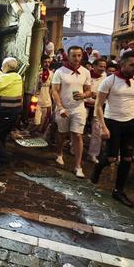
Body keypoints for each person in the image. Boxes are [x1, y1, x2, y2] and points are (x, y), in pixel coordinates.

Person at [91, 52, 134, 207]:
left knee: (127, 159)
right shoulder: (110, 81)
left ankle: (119, 191)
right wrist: (103, 126)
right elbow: (98, 105)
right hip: (112, 122)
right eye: (132, 65)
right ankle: (98, 167)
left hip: (130, 123)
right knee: (111, 158)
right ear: (122, 64)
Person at [51, 46, 92, 178]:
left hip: (79, 108)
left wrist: (84, 95)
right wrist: (60, 107)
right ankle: (59, 153)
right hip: (63, 107)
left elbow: (88, 90)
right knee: (62, 133)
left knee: (78, 135)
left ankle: (78, 166)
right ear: (68, 56)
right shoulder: (60, 72)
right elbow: (55, 91)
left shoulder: (85, 72)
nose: (76, 58)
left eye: (79, 55)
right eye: (73, 55)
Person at [86, 58, 107, 164]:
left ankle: (93, 154)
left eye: (104, 67)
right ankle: (73, 147)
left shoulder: (105, 77)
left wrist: (98, 95)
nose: (102, 69)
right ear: (93, 66)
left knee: (97, 131)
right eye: (100, 66)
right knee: (78, 128)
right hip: (83, 104)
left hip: (98, 106)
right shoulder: (86, 74)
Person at [35, 55, 53, 136]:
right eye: (45, 62)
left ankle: (38, 137)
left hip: (47, 101)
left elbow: (52, 88)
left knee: (44, 122)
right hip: (36, 101)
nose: (47, 64)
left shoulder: (52, 74)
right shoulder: (36, 72)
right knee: (36, 122)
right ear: (41, 62)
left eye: (49, 62)